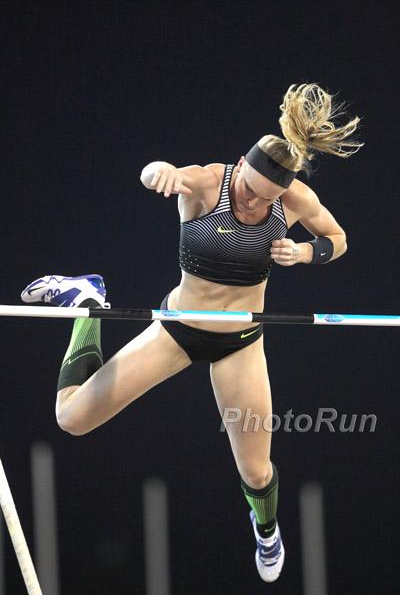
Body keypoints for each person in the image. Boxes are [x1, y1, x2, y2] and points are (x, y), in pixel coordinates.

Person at [21, 83, 362, 583]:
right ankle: (88, 306)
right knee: (71, 417)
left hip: (240, 344)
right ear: (239, 167)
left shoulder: (295, 200)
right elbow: (161, 174)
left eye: (263, 199)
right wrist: (157, 170)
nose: (250, 201)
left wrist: (306, 252)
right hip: (177, 329)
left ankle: (267, 531)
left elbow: (338, 238)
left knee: (256, 470)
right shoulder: (208, 183)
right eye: (247, 188)